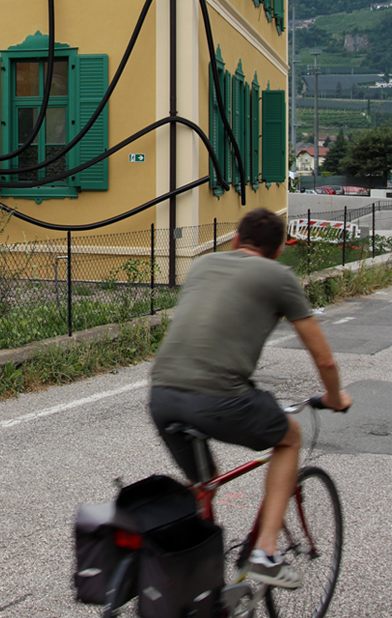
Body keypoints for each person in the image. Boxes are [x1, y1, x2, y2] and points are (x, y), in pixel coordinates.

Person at [149, 207, 351, 589]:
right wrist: (335, 396)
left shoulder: (203, 265)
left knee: (204, 483)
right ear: (278, 251)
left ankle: (188, 581)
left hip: (161, 395)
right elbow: (324, 358)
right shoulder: (279, 276)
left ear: (236, 240)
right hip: (219, 398)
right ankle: (265, 554)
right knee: (289, 438)